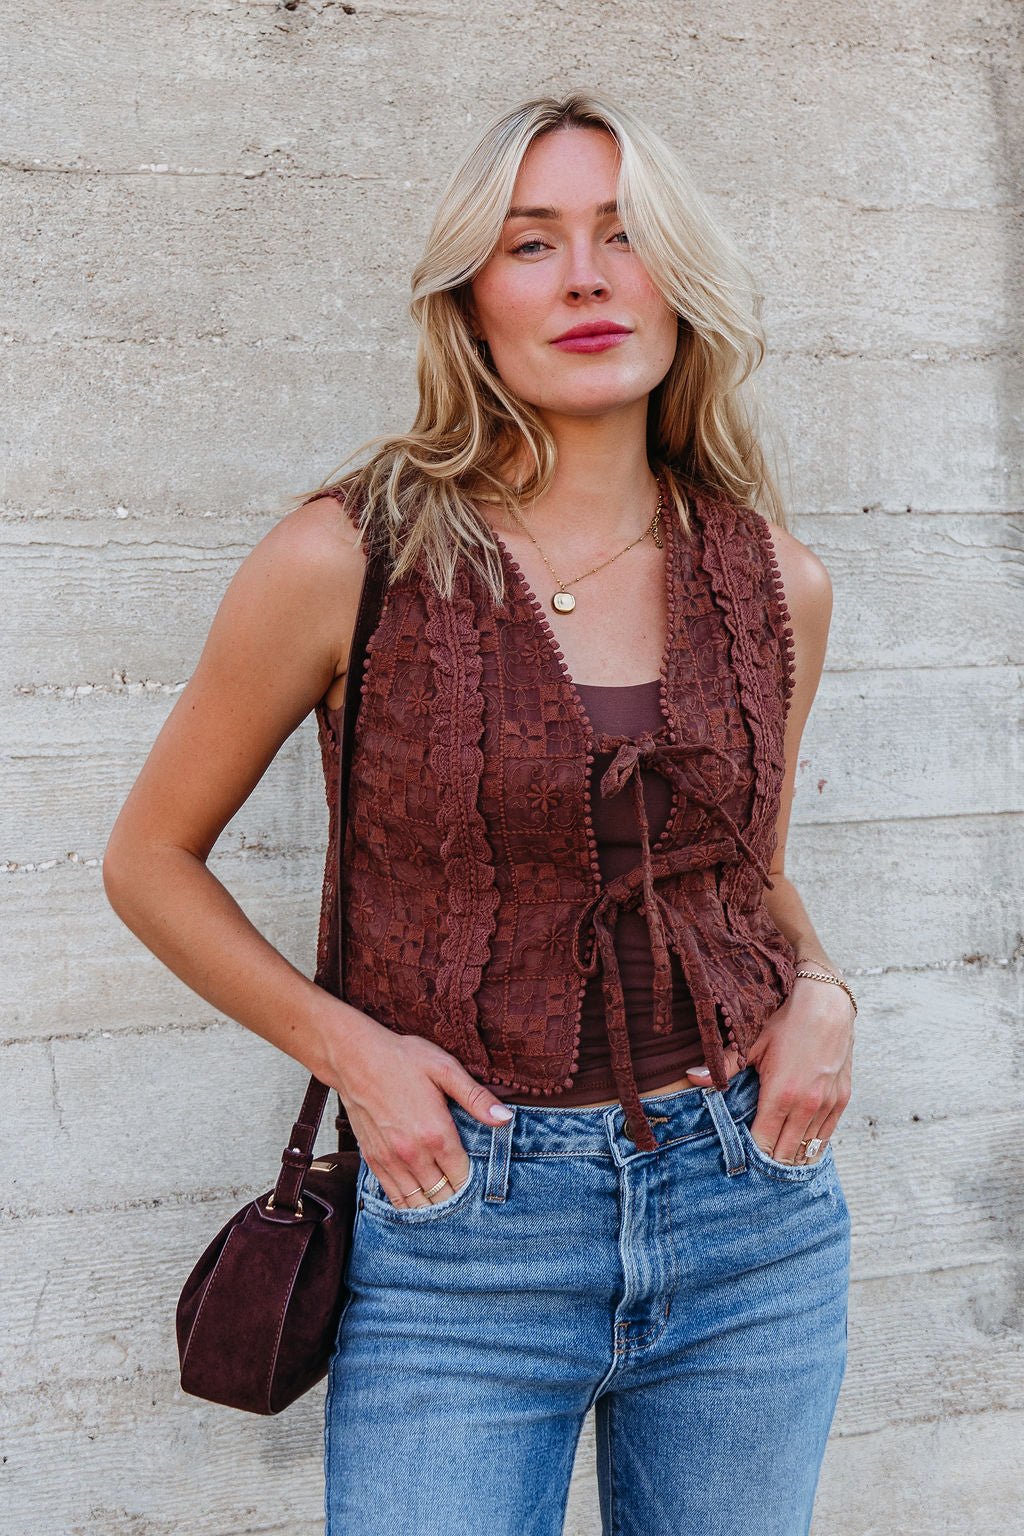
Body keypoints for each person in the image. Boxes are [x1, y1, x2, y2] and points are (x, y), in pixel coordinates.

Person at [104, 90, 856, 1536]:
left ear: (679, 281)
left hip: (753, 1217)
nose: (585, 276)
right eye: (532, 243)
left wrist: (822, 993)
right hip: (466, 1231)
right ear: (472, 298)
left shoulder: (776, 581)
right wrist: (359, 1058)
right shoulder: (348, 558)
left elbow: (743, 876)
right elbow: (149, 861)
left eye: (623, 236)